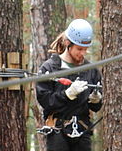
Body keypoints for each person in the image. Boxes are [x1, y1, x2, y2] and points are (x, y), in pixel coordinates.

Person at [36, 19, 102, 151]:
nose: (83, 53)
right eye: (79, 49)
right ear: (68, 43)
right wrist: (67, 94)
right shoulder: (50, 68)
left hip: (82, 133)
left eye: (85, 49)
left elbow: (95, 108)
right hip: (57, 132)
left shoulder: (91, 70)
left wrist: (96, 101)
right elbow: (45, 100)